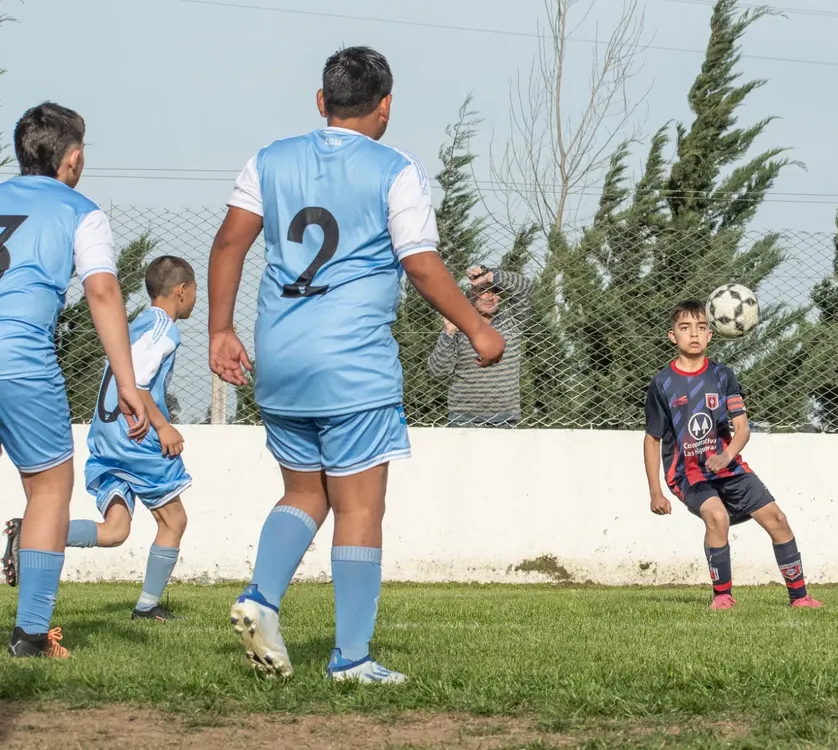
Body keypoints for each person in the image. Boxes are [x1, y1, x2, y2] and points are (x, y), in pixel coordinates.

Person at [207, 46, 504, 682]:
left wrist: (220, 329)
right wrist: (477, 326)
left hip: (280, 359)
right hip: (352, 364)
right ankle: (351, 658)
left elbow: (230, 242)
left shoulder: (269, 159)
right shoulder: (397, 170)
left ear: (322, 102)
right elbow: (421, 263)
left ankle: (260, 598)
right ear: (386, 106)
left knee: (302, 491)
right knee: (360, 508)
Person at [0, 102, 148, 658]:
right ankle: (31, 636)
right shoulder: (80, 210)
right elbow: (103, 291)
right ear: (74, 158)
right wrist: (129, 384)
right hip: (20, 358)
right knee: (49, 491)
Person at [642, 299, 822, 610]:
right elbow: (652, 438)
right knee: (717, 516)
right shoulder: (662, 383)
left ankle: (799, 597)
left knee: (778, 520)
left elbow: (742, 428)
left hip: (729, 466)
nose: (693, 334)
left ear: (711, 334)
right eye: (685, 328)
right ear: (673, 336)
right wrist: (655, 491)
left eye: (701, 328)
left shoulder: (723, 375)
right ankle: (723, 596)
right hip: (689, 473)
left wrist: (727, 456)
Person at [57, 256, 195, 622]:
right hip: (135, 435)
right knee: (173, 521)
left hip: (105, 436)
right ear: (182, 291)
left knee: (116, 530)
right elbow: (137, 382)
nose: (196, 298)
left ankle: (37, 534)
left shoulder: (134, 325)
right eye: (195, 291)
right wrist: (163, 426)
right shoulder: (163, 329)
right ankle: (147, 607)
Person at [428, 265, 534, 428]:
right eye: (484, 290)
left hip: (505, 419)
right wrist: (448, 332)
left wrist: (490, 276)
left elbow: (525, 287)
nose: (490, 296)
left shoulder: (512, 321)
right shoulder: (460, 325)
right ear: (470, 295)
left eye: (496, 291)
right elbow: (438, 371)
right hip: (463, 419)